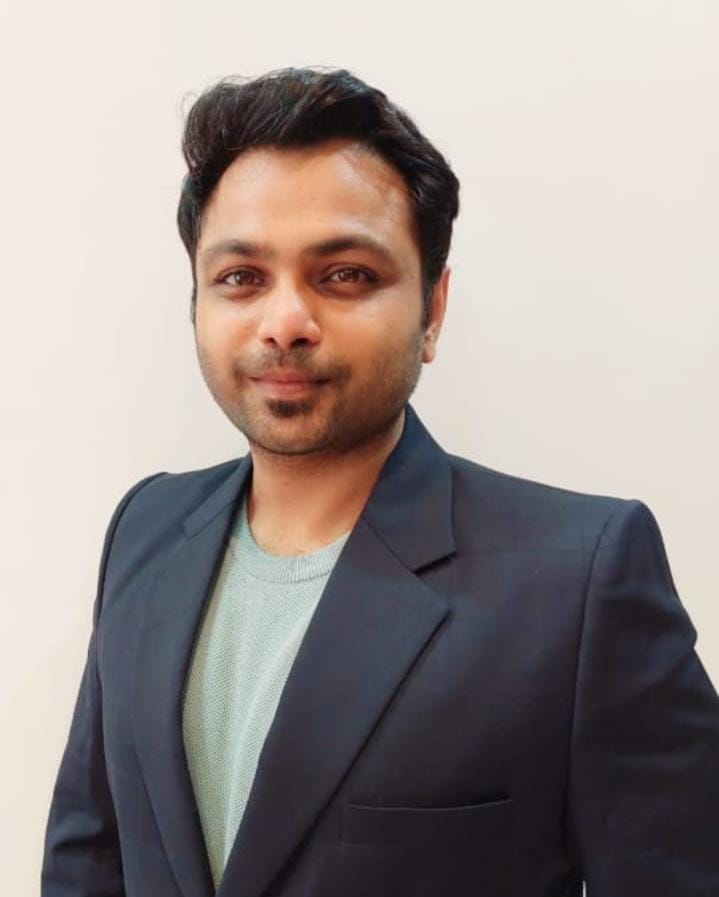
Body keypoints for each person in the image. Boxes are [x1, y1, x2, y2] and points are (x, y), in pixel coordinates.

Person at [41, 66, 719, 897]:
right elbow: (89, 857)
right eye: (241, 277)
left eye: (345, 275)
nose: (284, 322)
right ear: (197, 302)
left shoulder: (579, 579)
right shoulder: (145, 527)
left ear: (432, 309)